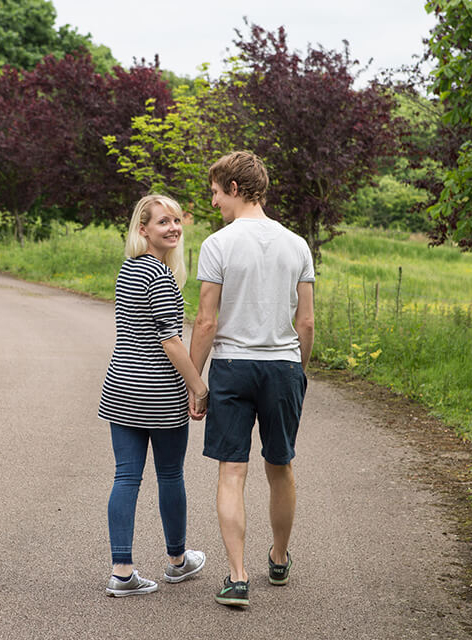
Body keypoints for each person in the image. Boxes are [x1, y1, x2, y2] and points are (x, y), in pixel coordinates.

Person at [189, 151, 315, 608]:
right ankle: (278, 559)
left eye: (217, 194)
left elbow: (205, 322)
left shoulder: (218, 244)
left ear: (235, 189)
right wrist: (297, 373)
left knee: (232, 471)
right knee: (280, 466)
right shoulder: (297, 245)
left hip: (232, 367)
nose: (216, 203)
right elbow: (306, 323)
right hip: (282, 366)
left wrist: (195, 384)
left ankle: (238, 577)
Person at [98, 194, 208, 597]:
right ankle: (178, 562)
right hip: (159, 394)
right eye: (163, 221)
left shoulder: (129, 269)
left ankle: (122, 571)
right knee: (169, 475)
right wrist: (199, 386)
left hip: (120, 389)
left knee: (126, 476)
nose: (174, 227)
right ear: (142, 229)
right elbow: (171, 341)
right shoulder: (158, 275)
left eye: (177, 220)